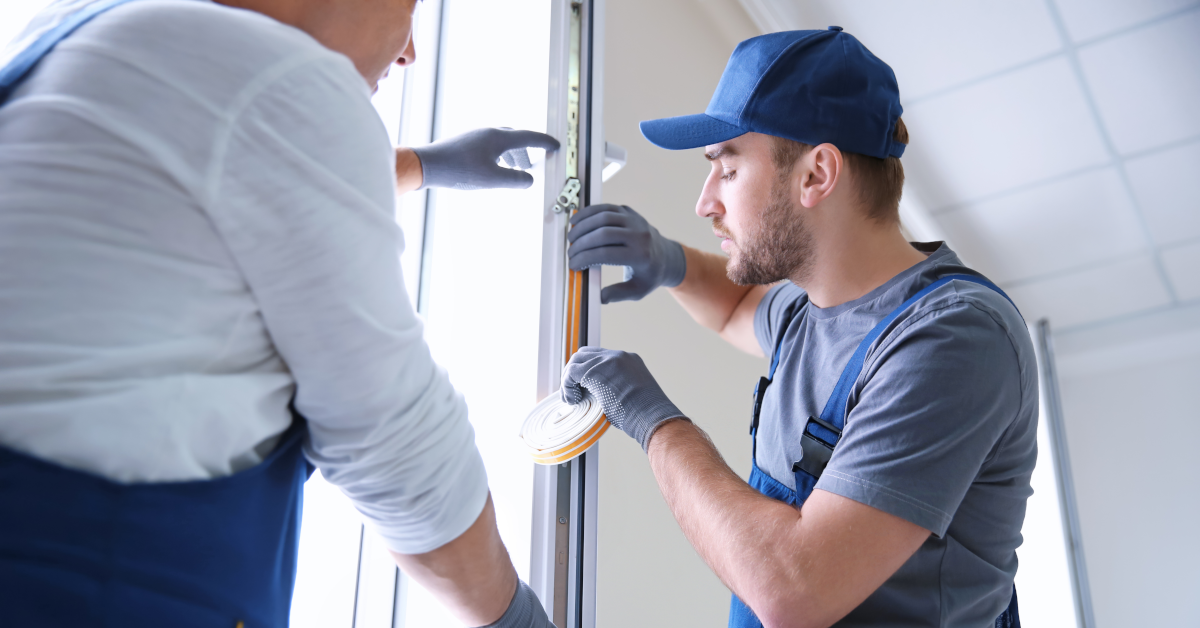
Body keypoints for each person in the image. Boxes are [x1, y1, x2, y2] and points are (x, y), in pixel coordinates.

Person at [0, 0, 557, 626]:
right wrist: (516, 618)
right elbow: (398, 446)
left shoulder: (78, 32)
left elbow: (226, 167)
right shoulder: (270, 77)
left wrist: (422, 166)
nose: (409, 52)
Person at [563, 28, 1036, 628]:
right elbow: (736, 307)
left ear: (816, 175)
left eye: (727, 169)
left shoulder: (953, 340)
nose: (704, 202)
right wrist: (668, 261)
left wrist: (654, 422)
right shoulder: (807, 312)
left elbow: (794, 591)